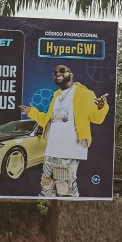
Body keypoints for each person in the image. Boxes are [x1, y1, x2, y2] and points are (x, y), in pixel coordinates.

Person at [25, 63, 110, 198]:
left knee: (66, 187)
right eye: (55, 72)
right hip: (52, 147)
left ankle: (71, 210)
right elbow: (47, 120)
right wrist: (32, 112)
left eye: (62, 71)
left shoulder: (85, 94)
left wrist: (101, 107)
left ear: (71, 74)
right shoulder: (55, 96)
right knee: (46, 185)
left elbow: (96, 118)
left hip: (71, 147)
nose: (58, 73)